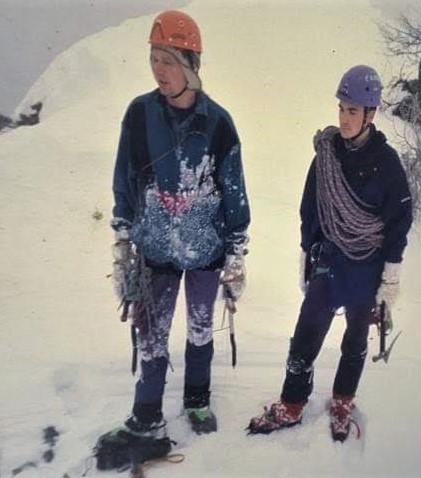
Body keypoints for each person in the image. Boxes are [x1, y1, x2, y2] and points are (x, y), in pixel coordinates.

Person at [96, 9, 250, 469]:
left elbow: (234, 189)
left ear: (190, 64)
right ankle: (146, 416)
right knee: (152, 336)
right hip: (156, 249)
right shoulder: (140, 114)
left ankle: (197, 400)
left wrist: (237, 251)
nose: (159, 71)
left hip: (206, 250)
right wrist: (123, 245)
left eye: (168, 60)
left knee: (202, 328)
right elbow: (124, 178)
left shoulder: (219, 123)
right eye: (153, 59)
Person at [248, 65, 412, 442]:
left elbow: (399, 220)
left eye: (352, 110)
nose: (344, 117)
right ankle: (292, 402)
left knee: (356, 338)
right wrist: (308, 251)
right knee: (307, 330)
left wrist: (391, 276)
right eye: (341, 108)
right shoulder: (326, 154)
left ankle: (342, 401)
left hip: (367, 267)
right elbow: (310, 206)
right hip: (330, 261)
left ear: (370, 114)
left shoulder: (387, 164)